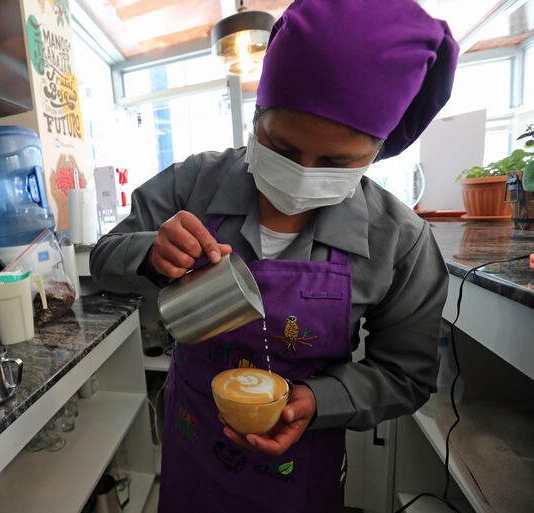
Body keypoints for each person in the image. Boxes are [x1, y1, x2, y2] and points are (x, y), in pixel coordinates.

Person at [89, 1, 459, 511]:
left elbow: (406, 375)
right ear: (257, 115)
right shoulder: (194, 182)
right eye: (281, 148)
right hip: (194, 439)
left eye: (336, 161)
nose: (303, 172)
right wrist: (150, 255)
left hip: (301, 462)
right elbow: (104, 260)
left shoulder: (400, 240)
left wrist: (320, 400)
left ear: (379, 149)